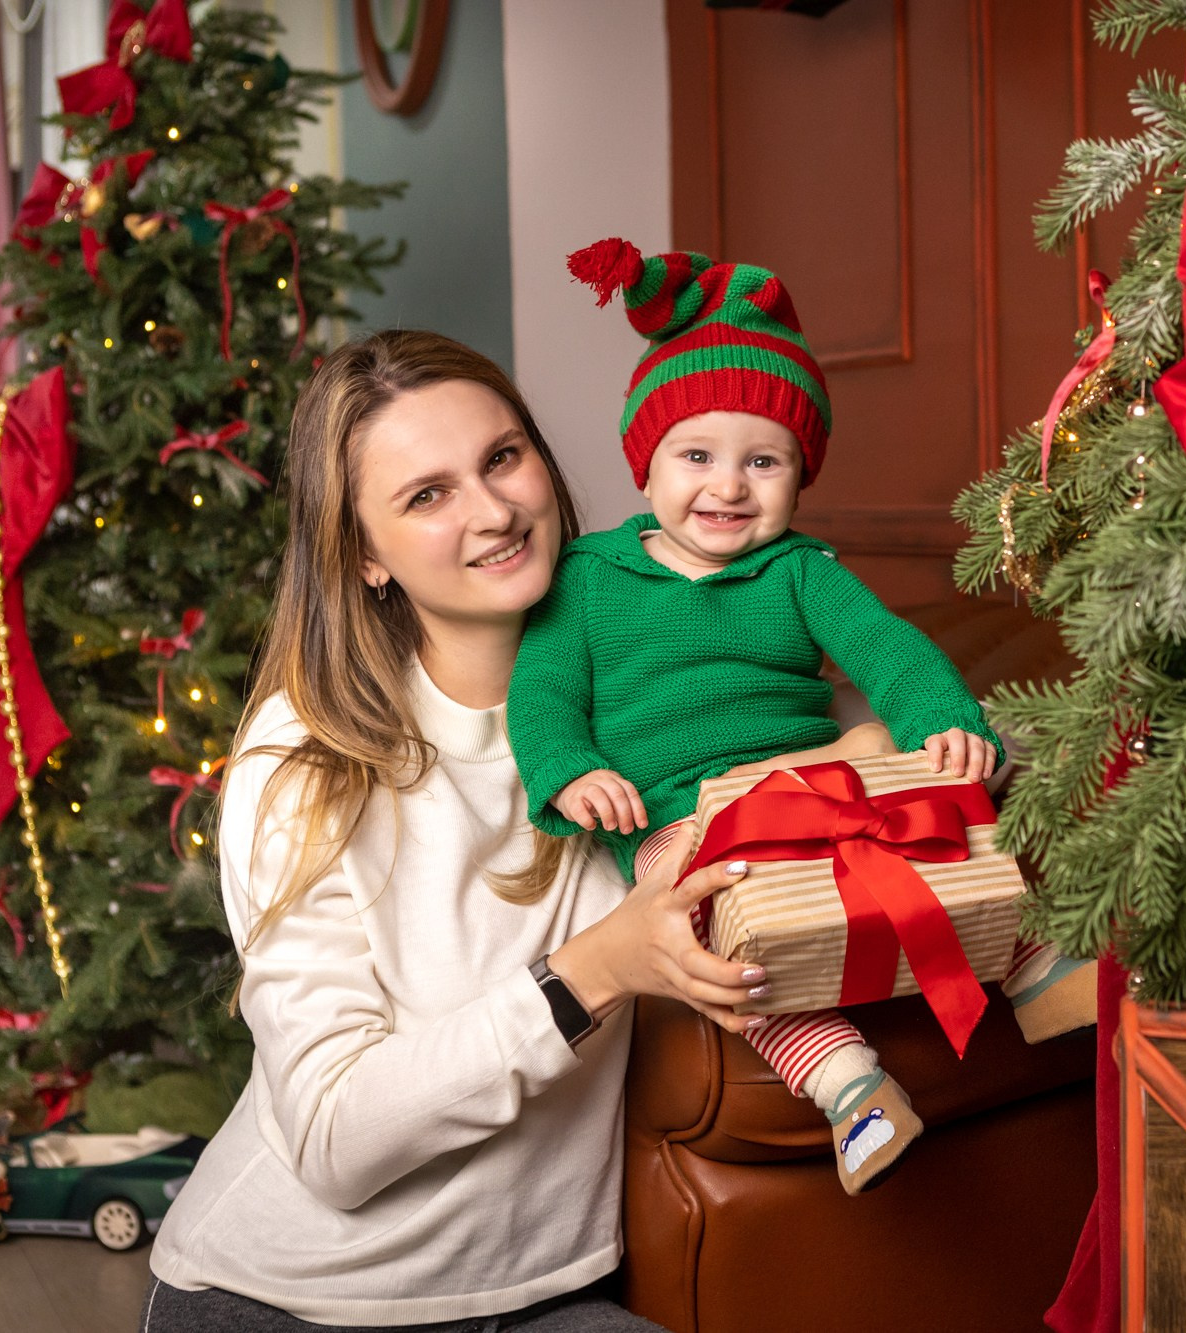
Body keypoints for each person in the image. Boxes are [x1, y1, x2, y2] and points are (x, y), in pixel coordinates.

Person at [144, 330, 767, 1332]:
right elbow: (334, 1138)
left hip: (542, 1292)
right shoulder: (305, 755)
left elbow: (842, 729)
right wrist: (593, 971)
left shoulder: (657, 679)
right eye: (426, 495)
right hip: (291, 1296)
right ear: (365, 556)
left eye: (502, 457)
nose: (492, 512)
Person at [505, 240, 1097, 1198]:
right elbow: (541, 695)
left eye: (763, 461)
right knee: (728, 948)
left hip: (811, 778)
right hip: (677, 812)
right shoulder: (586, 579)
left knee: (930, 824)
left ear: (799, 473)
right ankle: (848, 1085)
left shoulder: (799, 572)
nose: (729, 487)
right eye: (697, 455)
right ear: (645, 465)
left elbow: (888, 650)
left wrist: (942, 716)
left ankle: (1036, 964)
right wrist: (571, 770)